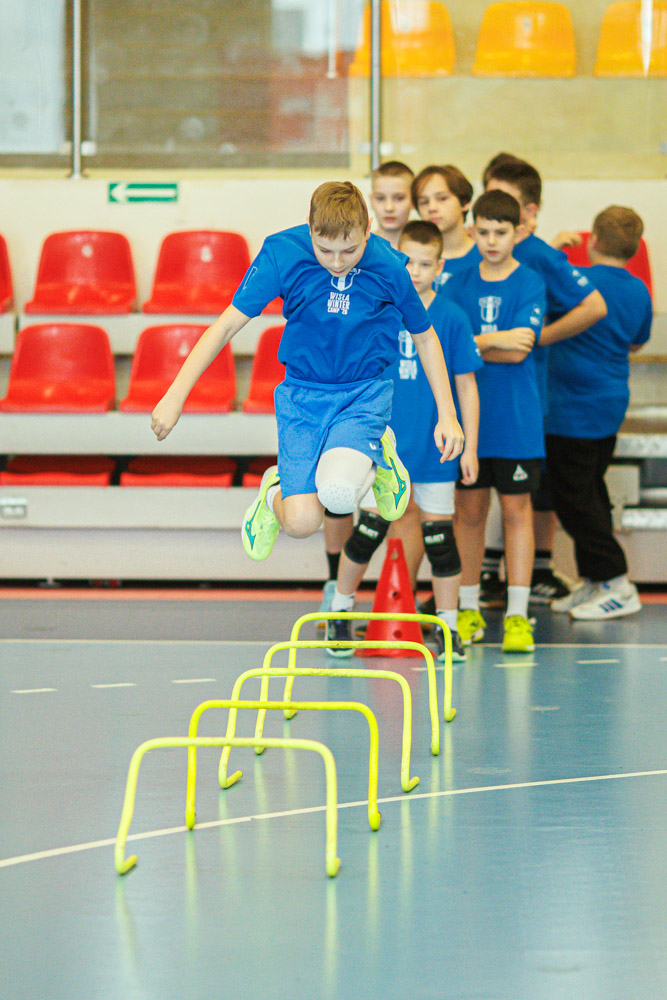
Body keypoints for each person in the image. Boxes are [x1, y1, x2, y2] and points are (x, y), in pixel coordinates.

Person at [151, 181, 464, 562]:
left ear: (368, 228)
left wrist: (448, 414)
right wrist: (175, 396)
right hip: (302, 398)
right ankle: (272, 492)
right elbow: (227, 326)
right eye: (325, 250)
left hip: (362, 395)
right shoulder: (282, 253)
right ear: (310, 227)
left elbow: (425, 338)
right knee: (301, 524)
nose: (337, 262)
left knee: (339, 492)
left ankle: (378, 453)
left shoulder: (388, 265)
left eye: (350, 250)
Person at [324, 220, 482, 662]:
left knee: (440, 539)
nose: (415, 272)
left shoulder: (451, 317)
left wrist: (469, 447)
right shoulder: (378, 310)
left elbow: (467, 386)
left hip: (436, 451)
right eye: (408, 262)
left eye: (426, 264)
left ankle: (448, 629)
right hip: (384, 447)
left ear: (440, 266)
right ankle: (339, 613)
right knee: (368, 532)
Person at [480, 156, 608, 608]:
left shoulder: (535, 258)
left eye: (506, 203)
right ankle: (485, 577)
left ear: (528, 214)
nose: (495, 222)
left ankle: (535, 573)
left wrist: (540, 338)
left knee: (526, 495)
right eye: (488, 198)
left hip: (524, 398)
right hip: (476, 397)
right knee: (475, 501)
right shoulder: (471, 261)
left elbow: (594, 306)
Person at [441, 189, 546, 654]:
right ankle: (468, 609)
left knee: (517, 513)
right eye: (482, 232)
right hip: (471, 424)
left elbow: (522, 348)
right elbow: (447, 347)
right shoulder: (457, 283)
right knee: (468, 514)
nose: (490, 241)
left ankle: (518, 616)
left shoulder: (531, 282)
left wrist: (473, 344)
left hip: (518, 421)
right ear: (471, 230)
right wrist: (495, 340)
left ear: (518, 232)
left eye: (500, 232)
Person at [545, 206, 652, 619]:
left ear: (593, 241)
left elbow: (534, 291)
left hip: (572, 410)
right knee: (592, 492)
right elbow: (637, 342)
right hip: (608, 405)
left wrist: (553, 249)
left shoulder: (578, 282)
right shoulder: (639, 290)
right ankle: (595, 580)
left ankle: (616, 581)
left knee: (573, 500)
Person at [320, 161, 415, 613]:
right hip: (349, 390)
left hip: (403, 391)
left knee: (395, 502)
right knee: (337, 496)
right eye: (382, 197)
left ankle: (392, 600)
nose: (391, 206)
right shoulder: (342, 248)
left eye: (400, 197)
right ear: (369, 203)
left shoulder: (417, 253)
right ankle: (334, 588)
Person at [411, 164, 481, 286]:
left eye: (442, 198)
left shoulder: (487, 255)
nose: (432, 208)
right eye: (424, 202)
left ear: (465, 203)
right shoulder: (410, 261)